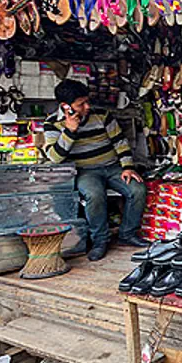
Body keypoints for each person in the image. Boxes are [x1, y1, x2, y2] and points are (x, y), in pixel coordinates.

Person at [44, 79, 146, 261]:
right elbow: (55, 157)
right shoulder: (52, 124)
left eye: (87, 101)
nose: (87, 106)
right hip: (85, 171)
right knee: (94, 194)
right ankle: (100, 240)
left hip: (112, 166)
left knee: (137, 188)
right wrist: (69, 131)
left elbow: (120, 142)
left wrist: (128, 167)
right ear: (65, 106)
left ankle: (127, 234)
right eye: (81, 104)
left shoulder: (102, 115)